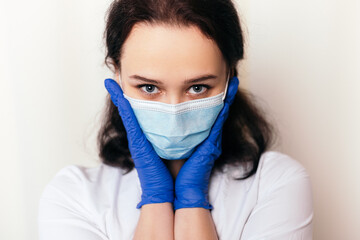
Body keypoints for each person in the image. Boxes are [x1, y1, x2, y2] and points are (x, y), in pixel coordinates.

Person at [38, 0, 314, 239]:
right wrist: (155, 198)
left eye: (198, 87)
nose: (174, 112)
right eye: (149, 87)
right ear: (118, 76)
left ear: (229, 77)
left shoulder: (275, 183)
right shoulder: (74, 196)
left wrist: (192, 198)